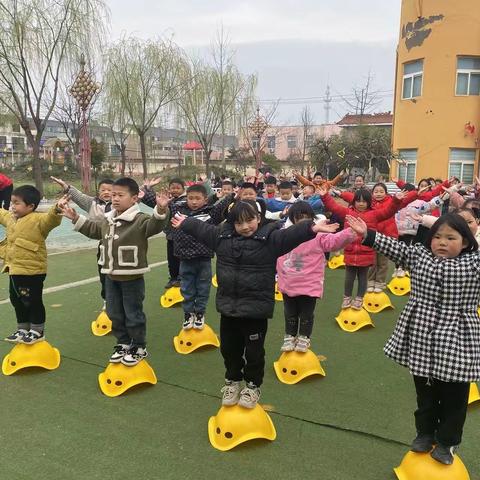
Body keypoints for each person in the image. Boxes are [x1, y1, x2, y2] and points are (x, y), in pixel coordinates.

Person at [171, 199, 339, 408]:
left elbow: (290, 235)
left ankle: (252, 386)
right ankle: (232, 381)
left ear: (258, 219)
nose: (245, 227)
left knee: (254, 352)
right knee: (229, 350)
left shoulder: (270, 240)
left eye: (250, 220)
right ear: (232, 224)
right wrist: (185, 222)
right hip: (229, 309)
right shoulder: (221, 238)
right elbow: (202, 229)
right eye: (239, 223)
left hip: (255, 311)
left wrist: (311, 227)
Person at [347, 213, 480, 465]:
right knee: (425, 392)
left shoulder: (474, 263)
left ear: (465, 242)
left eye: (451, 238)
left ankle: (447, 442)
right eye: (437, 237)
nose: (442, 242)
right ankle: (425, 433)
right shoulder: (420, 256)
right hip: (422, 333)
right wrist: (368, 234)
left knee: (455, 395)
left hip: (458, 336)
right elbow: (395, 248)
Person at [60, 178, 170, 366]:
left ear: (134, 198)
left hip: (131, 277)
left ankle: (138, 346)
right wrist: (76, 218)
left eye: (120, 195)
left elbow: (155, 225)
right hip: (110, 275)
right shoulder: (108, 218)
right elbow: (95, 230)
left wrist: (160, 210)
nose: (115, 199)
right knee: (114, 312)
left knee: (133, 313)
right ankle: (123, 343)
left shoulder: (139, 219)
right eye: (113, 195)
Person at [146, 183, 233, 331]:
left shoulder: (210, 213)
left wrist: (232, 196)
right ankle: (188, 314)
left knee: (203, 288)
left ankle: (199, 313)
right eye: (190, 198)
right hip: (185, 259)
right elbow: (160, 202)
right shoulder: (177, 211)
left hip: (204, 259)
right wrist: (146, 193)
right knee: (186, 288)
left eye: (197, 198)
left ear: (205, 200)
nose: (193, 201)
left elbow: (221, 206)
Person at [276, 202, 357, 352]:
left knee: (306, 313)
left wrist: (349, 232)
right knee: (290, 312)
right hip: (288, 282)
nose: (303, 221)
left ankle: (304, 338)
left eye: (306, 217)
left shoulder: (317, 235)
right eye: (298, 218)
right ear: (292, 219)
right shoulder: (284, 235)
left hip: (309, 282)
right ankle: (289, 336)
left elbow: (333, 242)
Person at [319, 186, 408, 309]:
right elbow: (333, 207)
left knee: (363, 278)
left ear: (369, 202)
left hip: (366, 252)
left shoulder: (374, 214)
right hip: (350, 251)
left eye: (364, 201)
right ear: (354, 202)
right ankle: (347, 298)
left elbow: (389, 211)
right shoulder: (348, 213)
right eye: (358, 201)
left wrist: (396, 200)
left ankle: (359, 298)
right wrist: (325, 196)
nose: (361, 204)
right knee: (349, 277)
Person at [1, 185, 63, 343]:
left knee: (32, 301)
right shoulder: (10, 217)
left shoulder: (38, 219)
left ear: (31, 206)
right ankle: (22, 328)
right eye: (11, 202)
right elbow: (1, 214)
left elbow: (51, 219)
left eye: (16, 203)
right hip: (14, 269)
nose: (12, 206)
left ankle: (37, 330)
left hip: (33, 271)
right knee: (16, 300)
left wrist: (56, 208)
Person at [51, 176, 113, 305]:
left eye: (110, 190)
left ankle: (121, 302)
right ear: (98, 192)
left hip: (120, 243)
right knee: (104, 274)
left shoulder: (120, 204)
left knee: (119, 275)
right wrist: (66, 186)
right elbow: (78, 196)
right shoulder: (92, 203)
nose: (106, 192)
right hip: (103, 245)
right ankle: (107, 300)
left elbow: (132, 198)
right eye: (103, 190)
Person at [142, 177, 186, 289]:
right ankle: (173, 278)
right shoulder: (167, 199)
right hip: (171, 236)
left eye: (178, 188)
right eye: (173, 188)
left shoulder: (186, 200)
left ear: (183, 189)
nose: (175, 190)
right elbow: (155, 200)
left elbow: (174, 207)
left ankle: (182, 279)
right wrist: (147, 188)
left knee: (183, 259)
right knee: (172, 260)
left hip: (184, 237)